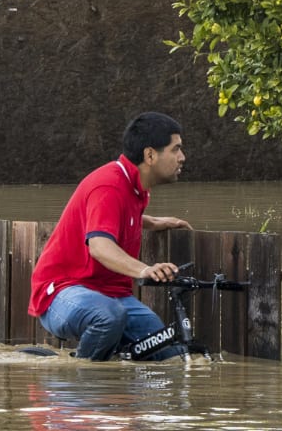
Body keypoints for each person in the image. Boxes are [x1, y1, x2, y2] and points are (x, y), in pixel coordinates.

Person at [28, 111, 193, 360]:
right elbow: (100, 246)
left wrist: (152, 221)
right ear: (150, 155)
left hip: (112, 296)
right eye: (176, 149)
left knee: (166, 352)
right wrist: (145, 270)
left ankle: (115, 379)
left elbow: (112, 216)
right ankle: (82, 376)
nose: (182, 157)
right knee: (108, 316)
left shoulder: (134, 187)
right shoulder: (109, 185)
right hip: (62, 293)